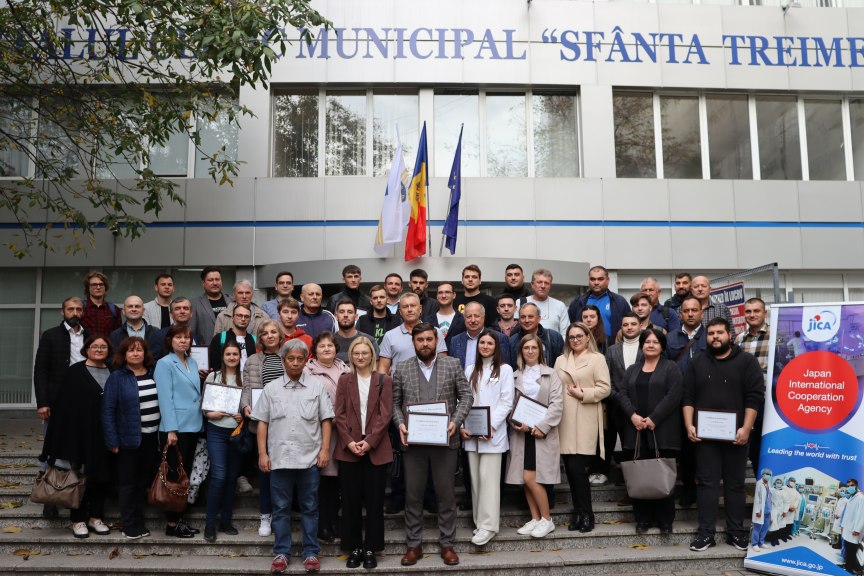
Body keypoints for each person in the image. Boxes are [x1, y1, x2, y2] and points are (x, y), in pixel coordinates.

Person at [392, 323, 473, 567]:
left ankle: (447, 544)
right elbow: (395, 404)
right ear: (413, 342)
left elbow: (467, 396)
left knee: (446, 496)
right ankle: (413, 546)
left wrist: (456, 421)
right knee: (413, 496)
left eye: (429, 339)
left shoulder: (452, 364)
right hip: (414, 444)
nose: (425, 343)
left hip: (445, 442)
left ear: (436, 341)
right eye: (420, 340)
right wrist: (400, 424)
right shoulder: (403, 368)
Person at [254, 339, 334, 576]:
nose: (296, 363)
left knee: (310, 507)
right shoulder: (272, 388)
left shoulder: (317, 387)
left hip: (309, 459)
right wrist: (262, 453)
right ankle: (281, 553)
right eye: (291, 358)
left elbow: (326, 420)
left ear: (306, 359)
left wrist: (325, 450)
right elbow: (262, 423)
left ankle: (311, 552)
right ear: (283, 360)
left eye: (300, 358)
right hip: (279, 459)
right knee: (280, 509)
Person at [683, 317, 764, 553]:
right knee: (707, 484)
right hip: (704, 437)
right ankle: (705, 533)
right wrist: (689, 425)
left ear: (730, 334)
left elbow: (754, 397)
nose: (715, 337)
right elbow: (687, 397)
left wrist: (747, 428)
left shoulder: (747, 361)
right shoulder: (697, 362)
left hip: (737, 436)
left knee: (736, 484)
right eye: (711, 334)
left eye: (719, 333)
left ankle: (736, 532)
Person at [40, 335, 113, 538]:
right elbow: (64, 406)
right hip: (79, 434)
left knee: (101, 477)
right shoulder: (74, 372)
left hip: (105, 434)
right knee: (79, 477)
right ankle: (78, 519)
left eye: (103, 346)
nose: (99, 349)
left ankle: (96, 517)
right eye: (94, 346)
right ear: (86, 349)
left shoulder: (113, 371)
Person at [616, 328, 683, 535]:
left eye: (655, 342)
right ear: (641, 345)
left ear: (662, 346)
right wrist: (633, 416)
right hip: (636, 431)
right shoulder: (632, 369)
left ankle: (665, 521)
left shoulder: (671, 368)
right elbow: (622, 394)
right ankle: (642, 519)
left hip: (662, 431)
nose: (651, 345)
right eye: (647, 342)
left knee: (663, 476)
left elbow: (674, 395)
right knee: (640, 477)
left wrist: (654, 418)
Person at [334, 337, 393, 569]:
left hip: (375, 449)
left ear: (372, 355)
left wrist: (368, 442)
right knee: (350, 502)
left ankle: (371, 547)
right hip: (349, 450)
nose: (360, 356)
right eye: (356, 353)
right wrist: (349, 442)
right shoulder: (344, 380)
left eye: (364, 353)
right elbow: (338, 414)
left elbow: (385, 414)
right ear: (351, 356)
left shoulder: (383, 380)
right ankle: (355, 547)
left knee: (375, 501)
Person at [554, 322, 611, 534]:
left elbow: (605, 388)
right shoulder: (560, 360)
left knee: (579, 469)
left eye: (579, 336)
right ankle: (579, 512)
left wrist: (584, 393)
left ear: (588, 337)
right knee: (570, 469)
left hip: (586, 417)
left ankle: (587, 514)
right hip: (564, 419)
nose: (575, 340)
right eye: (571, 337)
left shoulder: (598, 359)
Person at [102, 336, 160, 540]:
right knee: (128, 483)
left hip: (152, 439)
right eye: (131, 350)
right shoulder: (117, 377)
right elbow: (108, 411)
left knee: (142, 482)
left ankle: (139, 521)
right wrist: (112, 440)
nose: (136, 353)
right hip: (128, 440)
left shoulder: (154, 374)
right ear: (124, 355)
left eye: (139, 350)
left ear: (146, 354)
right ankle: (129, 525)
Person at [460, 330, 515, 546]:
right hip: (471, 434)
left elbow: (507, 402)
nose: (484, 346)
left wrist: (490, 426)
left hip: (493, 434)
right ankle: (478, 522)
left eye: (489, 343)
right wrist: (463, 426)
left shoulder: (505, 370)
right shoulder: (469, 369)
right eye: (481, 342)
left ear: (496, 346)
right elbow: (463, 400)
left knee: (489, 480)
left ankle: (489, 525)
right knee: (475, 480)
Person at [506, 334, 563, 539]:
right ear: (521, 351)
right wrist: (516, 423)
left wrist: (542, 426)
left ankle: (547, 519)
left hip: (541, 434)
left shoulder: (551, 374)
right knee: (525, 477)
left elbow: (557, 404)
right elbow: (509, 406)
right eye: (526, 348)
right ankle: (535, 518)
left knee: (532, 477)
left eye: (534, 348)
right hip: (521, 433)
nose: (530, 351)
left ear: (541, 351)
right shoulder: (513, 375)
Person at [154, 324, 203, 539]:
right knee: (174, 475)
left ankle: (179, 519)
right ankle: (172, 524)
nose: (183, 341)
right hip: (176, 428)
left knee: (185, 475)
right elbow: (165, 398)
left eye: (187, 337)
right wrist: (171, 430)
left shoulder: (191, 362)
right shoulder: (164, 364)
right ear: (170, 340)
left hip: (193, 425)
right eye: (179, 337)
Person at [240, 319, 287, 538]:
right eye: (265, 333)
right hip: (262, 424)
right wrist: (245, 405)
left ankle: (282, 515)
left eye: (273, 332)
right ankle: (265, 515)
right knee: (266, 473)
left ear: (280, 335)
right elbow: (246, 388)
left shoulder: (290, 356)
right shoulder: (252, 360)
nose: (270, 336)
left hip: (287, 423)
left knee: (286, 473)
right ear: (260, 337)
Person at [304, 331, 350, 543]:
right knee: (324, 483)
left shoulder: (345, 369)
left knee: (342, 482)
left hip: (344, 433)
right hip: (320, 433)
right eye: (322, 346)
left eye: (330, 346)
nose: (326, 349)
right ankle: (324, 526)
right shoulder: (308, 371)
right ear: (315, 350)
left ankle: (337, 523)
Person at [201, 342, 244, 542]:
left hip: (236, 433)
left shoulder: (245, 378)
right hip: (216, 431)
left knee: (231, 477)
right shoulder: (213, 376)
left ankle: (225, 521)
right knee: (219, 476)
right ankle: (210, 523)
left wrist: (242, 415)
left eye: (235, 354)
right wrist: (211, 413)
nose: (232, 357)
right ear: (223, 356)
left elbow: (250, 405)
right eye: (228, 354)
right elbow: (204, 406)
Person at [34, 297, 89, 423]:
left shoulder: (90, 336)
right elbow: (41, 370)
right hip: (57, 397)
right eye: (70, 309)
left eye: (78, 309)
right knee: (54, 439)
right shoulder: (50, 335)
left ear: (83, 312)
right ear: (62, 312)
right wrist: (42, 402)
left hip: (85, 394)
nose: (75, 313)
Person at [736, 297, 769, 477]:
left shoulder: (778, 336)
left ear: (765, 313)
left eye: (757, 311)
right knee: (753, 448)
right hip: (747, 401)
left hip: (770, 401)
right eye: (748, 311)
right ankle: (758, 490)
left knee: (768, 447)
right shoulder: (739, 339)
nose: (752, 315)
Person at [568, 265, 631, 340]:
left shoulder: (619, 301)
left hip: (611, 346)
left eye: (600, 279)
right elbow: (571, 325)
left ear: (607, 280)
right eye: (592, 279)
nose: (596, 282)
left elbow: (628, 324)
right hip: (584, 346)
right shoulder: (578, 302)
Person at [449, 302, 512, 369]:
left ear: (483, 317)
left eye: (476, 316)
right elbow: (452, 369)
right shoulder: (455, 341)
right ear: (464, 318)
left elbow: (505, 366)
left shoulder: (499, 338)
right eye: (469, 316)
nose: (473, 320)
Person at [508, 302, 564, 369]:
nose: (527, 320)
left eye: (530, 316)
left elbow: (562, 365)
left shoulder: (554, 337)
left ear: (539, 319)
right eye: (523, 317)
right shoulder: (512, 341)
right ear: (519, 320)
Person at [520, 269, 570, 337]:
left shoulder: (560, 306)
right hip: (528, 346)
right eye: (539, 282)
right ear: (532, 284)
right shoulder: (521, 302)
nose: (543, 286)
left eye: (546, 283)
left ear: (550, 286)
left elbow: (565, 333)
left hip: (553, 346)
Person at [208, 303, 257, 372]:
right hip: (225, 380)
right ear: (232, 318)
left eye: (246, 316)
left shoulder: (254, 340)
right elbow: (213, 366)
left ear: (250, 319)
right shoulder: (220, 338)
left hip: (248, 380)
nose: (243, 319)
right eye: (239, 315)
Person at [190, 266, 232, 347]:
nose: (215, 283)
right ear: (203, 283)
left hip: (231, 351)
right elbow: (192, 333)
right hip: (207, 351)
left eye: (217, 279)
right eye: (210, 280)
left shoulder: (232, 301)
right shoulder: (194, 304)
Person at [80, 272, 122, 337]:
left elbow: (118, 335)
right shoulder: (80, 308)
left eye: (101, 284)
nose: (98, 287)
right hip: (86, 346)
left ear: (105, 287)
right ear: (88, 288)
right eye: (94, 285)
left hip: (107, 346)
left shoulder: (114, 309)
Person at [840, 479, 863, 574]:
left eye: (852, 485)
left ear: (856, 486)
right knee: (847, 548)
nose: (850, 487)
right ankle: (846, 565)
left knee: (851, 550)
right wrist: (843, 526)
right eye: (848, 485)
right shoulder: (851, 497)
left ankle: (850, 569)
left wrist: (857, 529)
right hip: (847, 529)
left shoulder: (861, 498)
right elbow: (847, 514)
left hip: (854, 530)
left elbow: (862, 515)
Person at [750, 468, 772, 551]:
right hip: (760, 511)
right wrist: (757, 511)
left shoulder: (767, 484)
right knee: (757, 527)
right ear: (762, 475)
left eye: (770, 474)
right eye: (767, 474)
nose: (768, 476)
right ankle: (754, 544)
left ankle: (761, 542)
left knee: (765, 527)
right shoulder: (759, 484)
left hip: (767, 510)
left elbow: (768, 496)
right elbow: (757, 499)